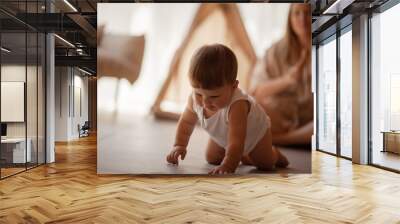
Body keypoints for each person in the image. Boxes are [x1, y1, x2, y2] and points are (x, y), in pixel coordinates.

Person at [166, 44, 289, 174]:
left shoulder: (237, 106)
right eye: (199, 94)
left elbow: (237, 140)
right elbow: (186, 122)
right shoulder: (193, 100)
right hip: (225, 135)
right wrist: (179, 145)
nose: (205, 102)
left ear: (233, 86)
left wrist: (228, 165)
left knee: (265, 164)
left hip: (254, 136)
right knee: (212, 158)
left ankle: (274, 153)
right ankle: (241, 155)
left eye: (214, 96)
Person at [250, 3, 313, 146]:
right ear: (289, 18)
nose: (302, 19)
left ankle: (280, 140)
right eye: (297, 13)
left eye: (308, 13)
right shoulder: (275, 52)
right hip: (280, 119)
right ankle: (296, 138)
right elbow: (256, 92)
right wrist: (287, 80)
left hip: (310, 122)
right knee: (250, 106)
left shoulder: (329, 46)